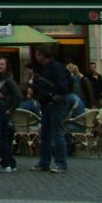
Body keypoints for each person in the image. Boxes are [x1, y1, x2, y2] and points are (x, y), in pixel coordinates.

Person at [31, 44, 70, 173]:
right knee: (45, 134)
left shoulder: (56, 67)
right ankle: (44, 162)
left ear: (42, 55)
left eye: (37, 54)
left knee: (57, 133)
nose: (36, 57)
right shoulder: (44, 68)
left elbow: (63, 87)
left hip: (54, 104)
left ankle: (60, 163)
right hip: (45, 103)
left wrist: (53, 100)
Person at [0, 58, 22, 173]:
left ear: (7, 66)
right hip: (0, 109)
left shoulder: (8, 80)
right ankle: (9, 162)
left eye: (2, 64)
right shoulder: (1, 79)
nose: (0, 66)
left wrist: (10, 108)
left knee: (2, 137)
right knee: (3, 137)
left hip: (3, 110)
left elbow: (18, 96)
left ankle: (6, 163)